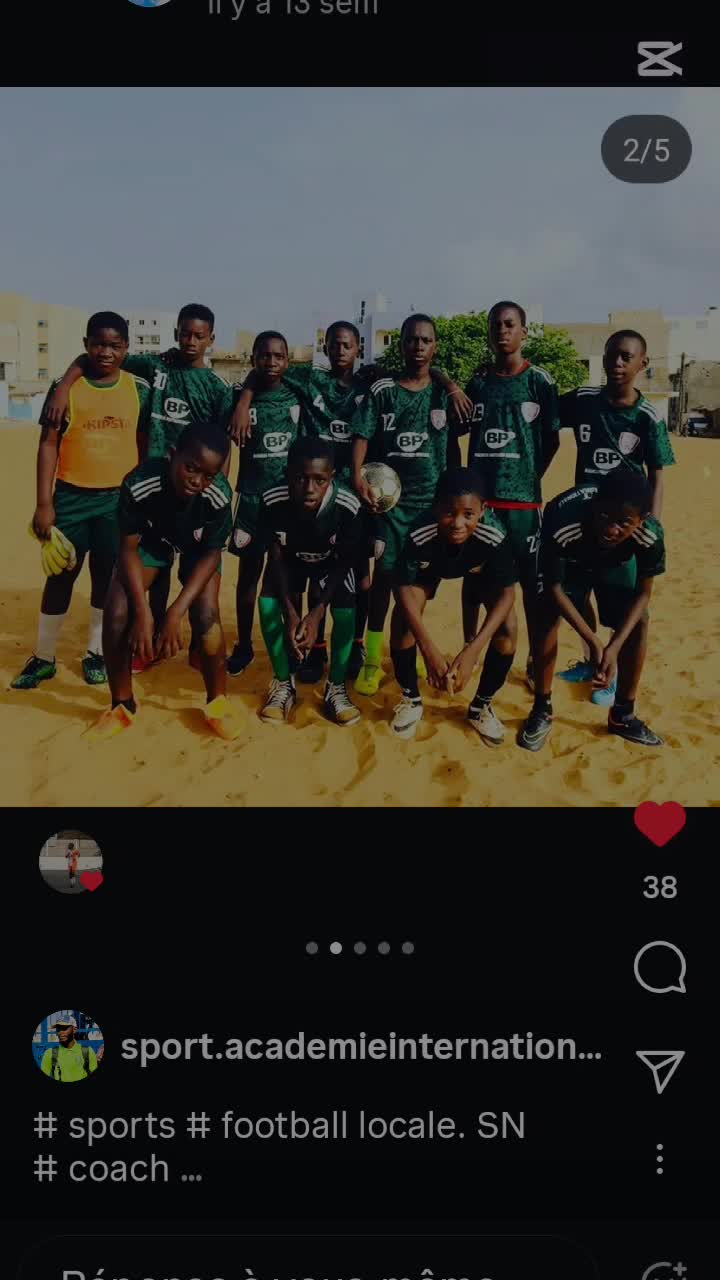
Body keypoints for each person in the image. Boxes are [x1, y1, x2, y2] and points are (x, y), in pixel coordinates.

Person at [230, 322, 471, 684]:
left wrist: (450, 384)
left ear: (358, 348)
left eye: (347, 345)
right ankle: (314, 648)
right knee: (311, 569)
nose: (340, 351)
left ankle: (358, 644)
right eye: (334, 345)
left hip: (356, 495)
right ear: (325, 348)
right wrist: (244, 400)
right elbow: (265, 368)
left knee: (359, 574)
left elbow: (420, 370)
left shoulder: (371, 383)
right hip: (313, 493)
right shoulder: (311, 379)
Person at [44, 304, 235, 665]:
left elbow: (222, 447)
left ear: (211, 338)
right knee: (153, 571)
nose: (190, 341)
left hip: (195, 493)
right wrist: (65, 385)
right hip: (155, 489)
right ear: (176, 332)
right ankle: (151, 640)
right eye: (184, 333)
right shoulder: (157, 366)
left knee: (201, 575)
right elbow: (99, 356)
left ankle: (199, 643)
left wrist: (215, 486)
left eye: (199, 336)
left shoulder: (217, 388)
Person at [11, 312, 150, 691]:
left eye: (114, 346)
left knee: (106, 577)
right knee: (60, 576)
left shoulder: (138, 388)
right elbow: (48, 445)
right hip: (70, 498)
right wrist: (44, 503)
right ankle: (44, 657)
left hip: (116, 501)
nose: (106, 352)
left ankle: (95, 653)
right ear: (86, 344)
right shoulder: (65, 389)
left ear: (126, 348)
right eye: (98, 344)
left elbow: (142, 443)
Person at [86, 421, 242, 742]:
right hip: (153, 541)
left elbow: (212, 554)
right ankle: (122, 705)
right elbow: (128, 549)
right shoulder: (140, 483)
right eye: (190, 468)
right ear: (172, 455)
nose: (197, 480)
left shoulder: (218, 496)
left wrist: (174, 613)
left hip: (198, 549)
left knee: (207, 614)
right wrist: (143, 612)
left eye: (208, 475)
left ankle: (218, 704)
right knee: (117, 610)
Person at [556, 328, 676, 706]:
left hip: (622, 528)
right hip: (584, 522)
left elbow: (657, 475)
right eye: (612, 355)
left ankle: (613, 674)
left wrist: (649, 524)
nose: (618, 363)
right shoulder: (584, 401)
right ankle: (591, 660)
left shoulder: (647, 416)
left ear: (643, 363)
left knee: (624, 608)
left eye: (627, 356)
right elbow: (541, 413)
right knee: (576, 595)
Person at [448, 300, 560, 695]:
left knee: (531, 588)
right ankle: (470, 646)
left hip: (524, 507)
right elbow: (457, 425)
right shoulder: (479, 383)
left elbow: (550, 440)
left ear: (523, 332)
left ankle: (532, 661)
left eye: (510, 324)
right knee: (475, 579)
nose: (502, 330)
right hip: (482, 508)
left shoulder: (540, 382)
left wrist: (528, 476)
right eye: (496, 324)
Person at [518, 470, 665, 752]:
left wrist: (614, 647)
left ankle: (623, 715)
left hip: (615, 562)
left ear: (642, 520)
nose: (611, 529)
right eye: (605, 516)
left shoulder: (650, 534)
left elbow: (643, 594)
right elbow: (554, 588)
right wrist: (595, 643)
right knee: (545, 614)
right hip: (571, 560)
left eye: (623, 523)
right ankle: (541, 708)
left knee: (639, 622)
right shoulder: (564, 519)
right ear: (595, 505)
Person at [351, 314, 453, 696]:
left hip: (431, 507)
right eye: (412, 339)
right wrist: (356, 474)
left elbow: (455, 448)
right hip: (390, 504)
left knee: (418, 583)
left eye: (426, 340)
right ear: (402, 344)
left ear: (434, 346)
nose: (418, 346)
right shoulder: (384, 391)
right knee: (384, 580)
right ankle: (373, 660)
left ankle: (408, 650)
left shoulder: (444, 394)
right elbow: (362, 435)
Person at [390, 468, 517, 741]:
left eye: (468, 514)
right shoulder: (419, 531)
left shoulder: (494, 534)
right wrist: (429, 651)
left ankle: (481, 706)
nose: (458, 523)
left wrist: (472, 651)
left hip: (478, 569)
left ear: (483, 510)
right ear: (436, 508)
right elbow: (400, 586)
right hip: (429, 569)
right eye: (449, 512)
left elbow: (507, 594)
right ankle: (411, 699)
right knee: (403, 619)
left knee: (508, 628)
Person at [247, 437, 364, 726]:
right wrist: (291, 613)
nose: (309, 488)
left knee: (346, 605)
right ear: (288, 473)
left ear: (331, 477)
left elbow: (346, 560)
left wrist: (317, 611)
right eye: (300, 478)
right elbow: (275, 557)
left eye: (319, 480)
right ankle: (283, 684)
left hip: (331, 565)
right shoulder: (272, 500)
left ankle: (336, 686)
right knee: (267, 600)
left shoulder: (348, 505)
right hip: (290, 563)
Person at [226, 332, 303, 677]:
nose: (271, 362)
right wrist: (244, 400)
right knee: (248, 575)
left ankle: (292, 644)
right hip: (252, 499)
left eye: (279, 356)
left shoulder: (298, 393)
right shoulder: (239, 399)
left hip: (289, 502)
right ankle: (244, 645)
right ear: (253, 358)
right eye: (264, 356)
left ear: (288, 360)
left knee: (289, 576)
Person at [40, 1016, 98, 1083]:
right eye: (58, 1029)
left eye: (64, 1028)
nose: (61, 1032)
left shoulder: (88, 1051)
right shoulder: (49, 1053)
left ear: (74, 1030)